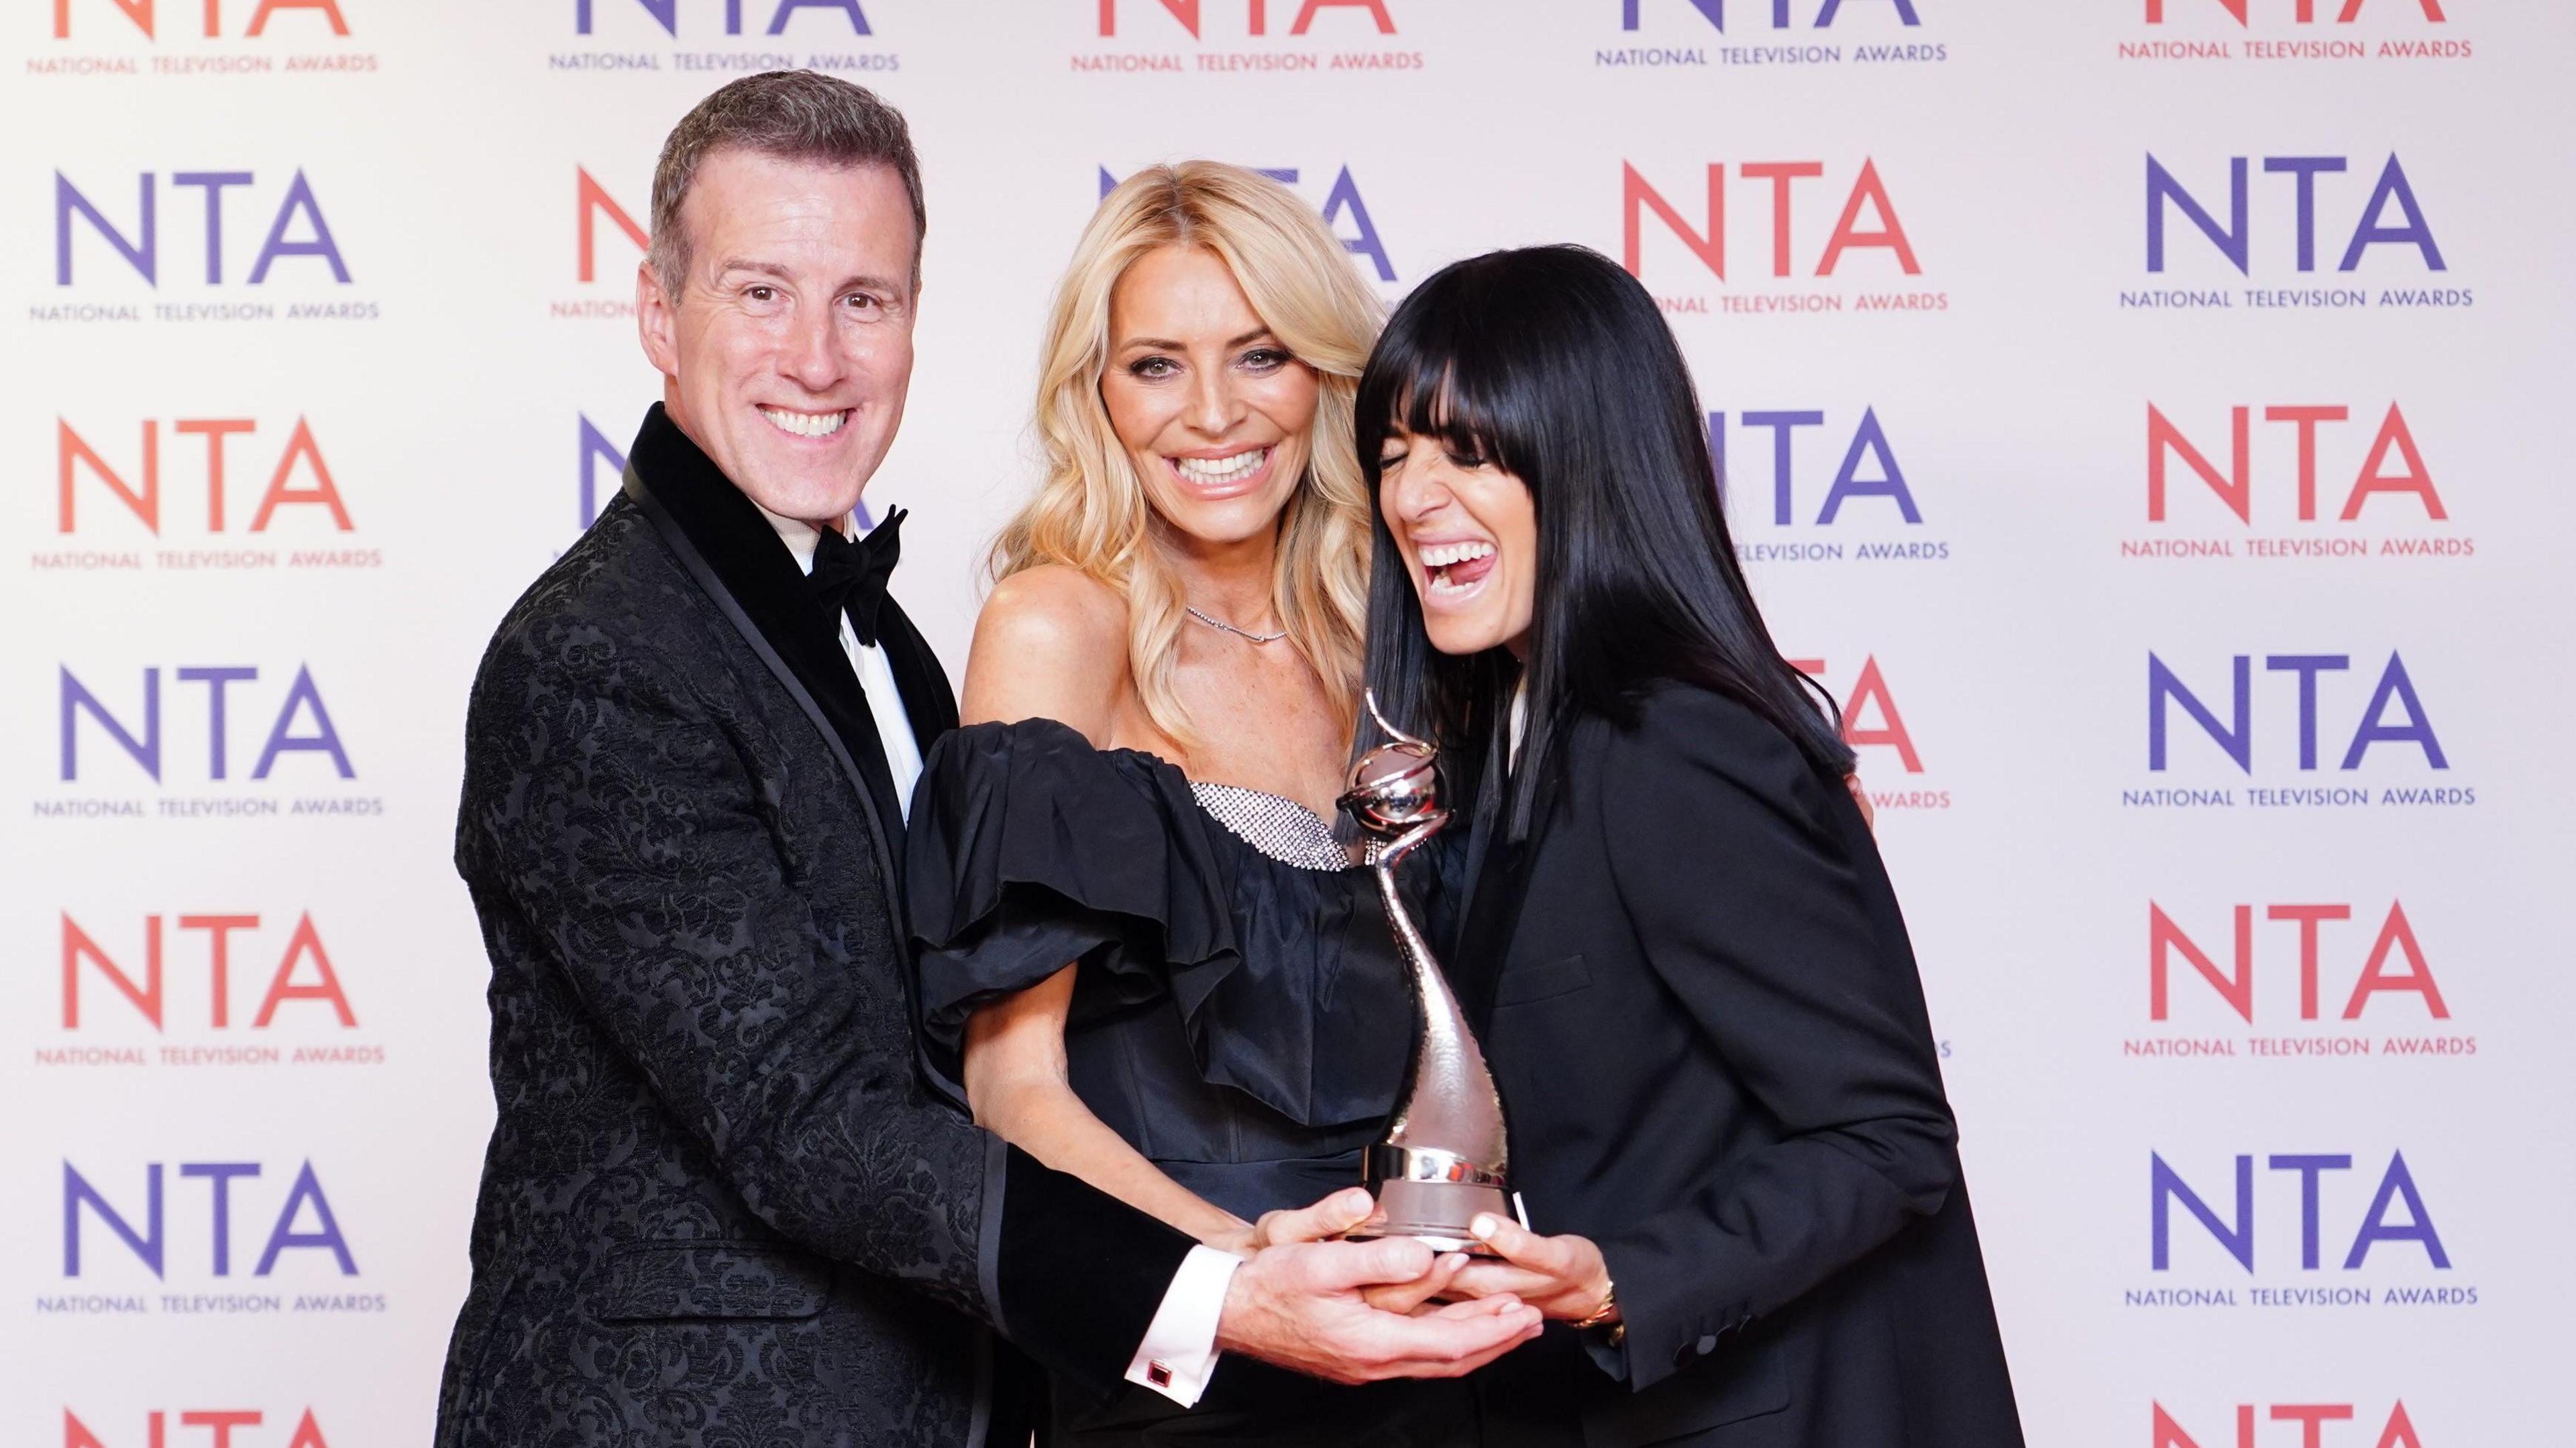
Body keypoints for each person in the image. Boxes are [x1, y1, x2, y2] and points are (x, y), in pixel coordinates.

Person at [437, 74, 1536, 1448]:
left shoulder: (880, 639)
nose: (819, 358)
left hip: (976, 1391)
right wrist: (1234, 1289)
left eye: (865, 300)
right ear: (661, 317)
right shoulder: (601, 658)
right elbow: (819, 1122)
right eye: (762, 293)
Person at [1354, 245, 2026, 1448]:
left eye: (1468, 449)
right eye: (1394, 455)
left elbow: (1888, 1138)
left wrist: (1619, 1281)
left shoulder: (1676, 743)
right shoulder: (1511, 747)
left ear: (1591, 460)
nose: (1414, 497)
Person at [901, 162, 1482, 1446]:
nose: (1213, 413)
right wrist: (1253, 1280)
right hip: (1200, 1353)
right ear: (1096, 394)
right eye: (1156, 364)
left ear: (1327, 374)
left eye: (1261, 355)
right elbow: (1013, 1090)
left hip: (1442, 1340)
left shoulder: (1405, 637)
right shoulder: (1058, 625)